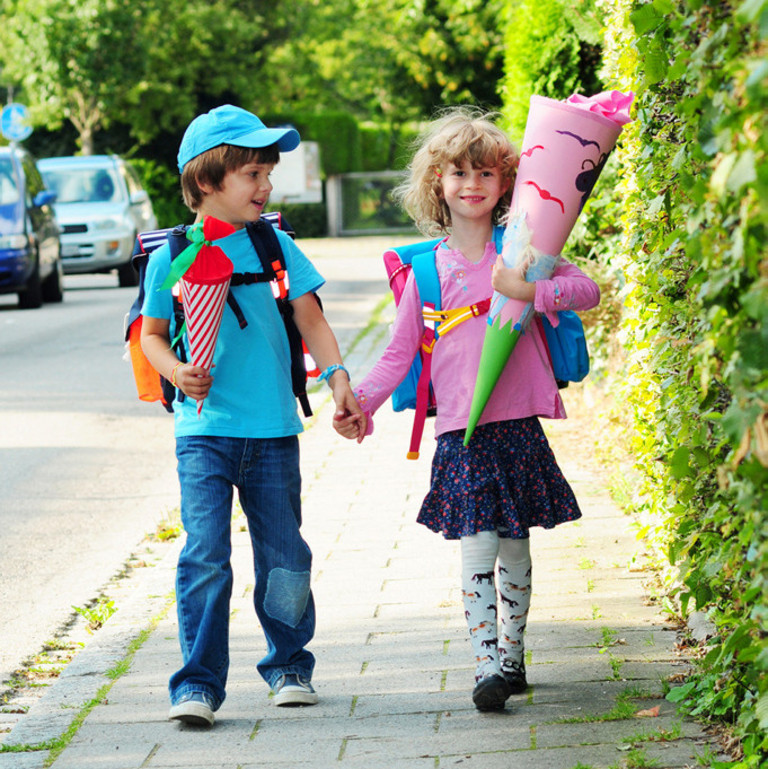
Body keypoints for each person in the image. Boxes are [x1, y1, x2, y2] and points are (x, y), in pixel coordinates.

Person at [335, 107, 600, 711]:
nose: (472, 184)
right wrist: (362, 404)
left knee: (515, 546)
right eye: (458, 173)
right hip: (461, 430)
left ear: (507, 183)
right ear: (438, 185)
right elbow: (399, 353)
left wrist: (528, 289)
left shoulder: (527, 252)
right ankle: (485, 667)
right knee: (476, 544)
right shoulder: (426, 271)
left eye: (485, 173)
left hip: (518, 426)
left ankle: (513, 654)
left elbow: (588, 290)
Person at [141, 104, 366, 727]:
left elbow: (311, 319)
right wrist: (176, 372)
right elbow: (152, 336)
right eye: (254, 174)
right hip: (203, 431)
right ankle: (197, 686)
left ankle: (290, 666)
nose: (267, 186)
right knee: (206, 556)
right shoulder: (173, 254)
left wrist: (338, 377)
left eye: (269, 173)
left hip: (272, 432)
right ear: (207, 180)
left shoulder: (275, 243)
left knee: (284, 553)